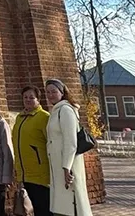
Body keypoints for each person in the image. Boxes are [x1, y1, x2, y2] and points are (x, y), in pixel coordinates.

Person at [45, 79, 92, 216]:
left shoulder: (66, 110)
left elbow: (71, 141)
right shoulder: (56, 110)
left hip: (67, 164)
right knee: (62, 203)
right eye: (48, 92)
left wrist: (67, 167)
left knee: (71, 203)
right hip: (57, 163)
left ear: (62, 92)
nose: (50, 95)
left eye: (54, 91)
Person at [12, 86, 50, 216]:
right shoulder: (20, 117)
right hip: (25, 173)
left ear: (38, 100)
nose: (28, 100)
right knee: (32, 209)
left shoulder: (44, 117)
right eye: (25, 97)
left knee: (44, 209)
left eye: (31, 97)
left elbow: (51, 143)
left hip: (41, 173)